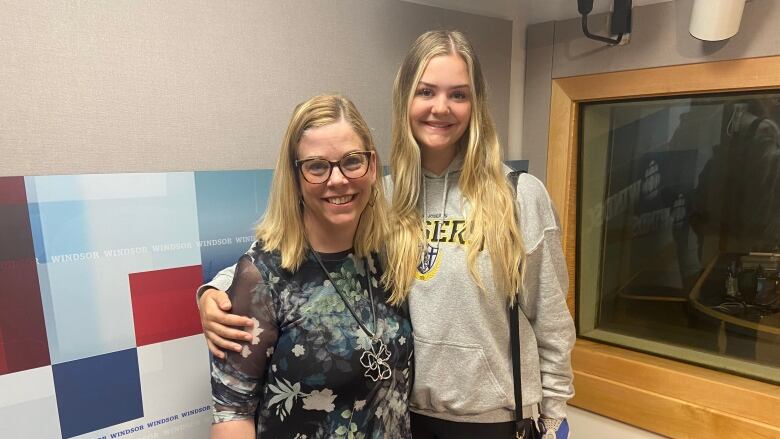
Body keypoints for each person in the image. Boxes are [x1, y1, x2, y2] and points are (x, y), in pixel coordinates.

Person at [200, 31, 574, 439]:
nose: (440, 108)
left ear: (476, 103)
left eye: (459, 94)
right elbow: (286, 258)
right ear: (406, 99)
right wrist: (212, 292)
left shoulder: (518, 196)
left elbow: (551, 319)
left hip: (495, 420)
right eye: (426, 91)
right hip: (409, 416)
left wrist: (554, 414)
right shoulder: (385, 198)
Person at [208, 94, 413, 439]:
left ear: (372, 166)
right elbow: (231, 412)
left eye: (352, 161)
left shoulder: (390, 257)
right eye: (317, 166)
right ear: (296, 177)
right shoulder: (263, 277)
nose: (337, 180)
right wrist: (210, 292)